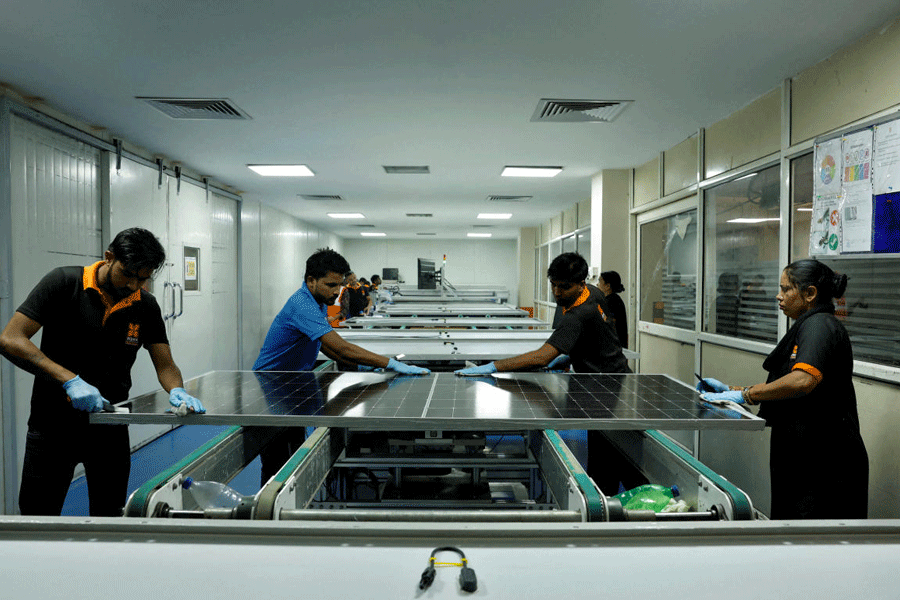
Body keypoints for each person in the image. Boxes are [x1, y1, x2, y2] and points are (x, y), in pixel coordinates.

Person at [0, 228, 205, 517]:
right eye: (128, 273)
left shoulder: (145, 305)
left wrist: (177, 390)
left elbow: (165, 364)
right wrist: (69, 380)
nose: (134, 284)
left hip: (110, 426)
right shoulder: (64, 282)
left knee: (109, 515)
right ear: (109, 257)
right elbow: (11, 339)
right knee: (38, 514)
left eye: (143, 278)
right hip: (53, 426)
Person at [698, 259, 869, 519]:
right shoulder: (808, 324)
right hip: (803, 454)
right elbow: (788, 381)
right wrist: (731, 390)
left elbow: (802, 380)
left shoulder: (820, 325)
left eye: (786, 289)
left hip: (824, 461)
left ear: (809, 294)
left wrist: (746, 395)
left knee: (815, 544)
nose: (779, 296)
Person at [253, 248, 429, 483]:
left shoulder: (319, 301)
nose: (337, 292)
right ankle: (268, 516)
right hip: (270, 388)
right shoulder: (301, 305)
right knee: (277, 465)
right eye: (330, 285)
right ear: (311, 281)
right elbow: (340, 347)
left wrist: (365, 367)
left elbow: (327, 347)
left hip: (291, 383)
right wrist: (390, 363)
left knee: (293, 455)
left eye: (339, 284)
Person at [454, 253, 629, 481]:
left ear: (581, 284)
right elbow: (595, 335)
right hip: (614, 379)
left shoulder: (577, 315)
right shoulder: (594, 294)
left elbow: (541, 357)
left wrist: (492, 366)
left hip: (604, 389)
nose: (557, 293)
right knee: (613, 450)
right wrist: (571, 356)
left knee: (608, 457)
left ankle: (606, 506)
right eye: (553, 285)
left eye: (564, 287)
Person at [598, 270, 628, 348]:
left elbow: (609, 324)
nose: (597, 284)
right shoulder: (612, 299)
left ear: (607, 286)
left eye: (600, 282)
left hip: (613, 347)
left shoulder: (612, 302)